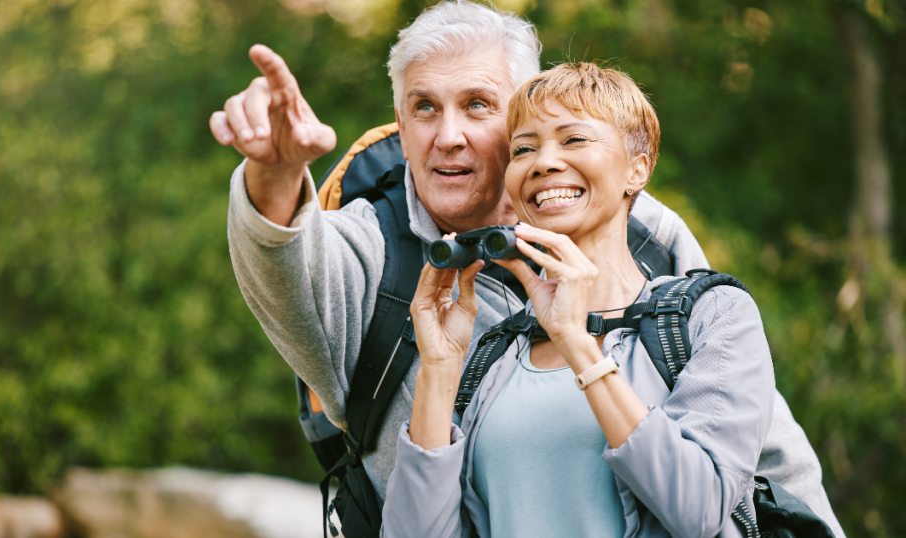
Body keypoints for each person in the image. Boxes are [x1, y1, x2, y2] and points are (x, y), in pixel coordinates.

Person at [211, 1, 842, 534]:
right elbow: (285, 263)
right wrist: (274, 172)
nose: (448, 135)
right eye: (424, 108)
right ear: (400, 126)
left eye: (479, 105)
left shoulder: (647, 232)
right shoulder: (372, 260)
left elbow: (757, 442)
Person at [384, 61, 772, 537]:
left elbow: (699, 508)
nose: (544, 162)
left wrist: (576, 340)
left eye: (574, 140)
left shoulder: (712, 316)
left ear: (639, 166)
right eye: (524, 149)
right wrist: (440, 370)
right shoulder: (495, 357)